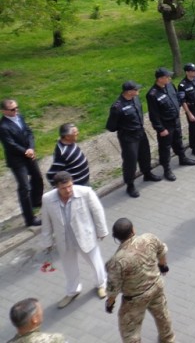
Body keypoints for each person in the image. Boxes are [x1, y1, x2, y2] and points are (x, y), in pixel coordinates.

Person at [40, 171, 108, 309]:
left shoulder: (86, 192)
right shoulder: (47, 199)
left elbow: (97, 211)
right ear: (56, 188)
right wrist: (47, 242)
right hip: (64, 240)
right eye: (64, 188)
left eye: (70, 186)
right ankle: (73, 291)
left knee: (96, 263)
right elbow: (46, 221)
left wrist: (101, 231)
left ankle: (101, 285)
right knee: (69, 268)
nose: (68, 190)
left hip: (85, 236)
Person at [104, 218, 175, 343]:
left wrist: (110, 303)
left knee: (129, 331)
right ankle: (169, 339)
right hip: (156, 286)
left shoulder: (116, 262)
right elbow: (162, 250)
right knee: (162, 315)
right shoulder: (149, 238)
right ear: (133, 229)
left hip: (135, 299)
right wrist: (163, 266)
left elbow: (113, 289)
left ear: (115, 237)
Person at [106, 82, 161, 198]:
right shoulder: (117, 107)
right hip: (128, 138)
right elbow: (111, 127)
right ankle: (130, 185)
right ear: (129, 91)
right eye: (136, 89)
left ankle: (147, 173)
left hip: (140, 132)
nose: (138, 90)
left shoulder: (135, 99)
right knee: (130, 162)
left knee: (145, 155)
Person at [146, 67, 195, 181]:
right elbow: (153, 114)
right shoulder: (152, 94)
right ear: (160, 79)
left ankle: (182, 158)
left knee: (178, 141)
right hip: (165, 125)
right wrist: (160, 129)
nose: (169, 78)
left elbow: (176, 98)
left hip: (175, 120)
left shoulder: (170, 85)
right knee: (165, 147)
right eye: (167, 77)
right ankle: (167, 169)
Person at [0, 99, 45, 226]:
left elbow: (29, 132)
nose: (16, 111)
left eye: (17, 108)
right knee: (25, 187)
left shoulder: (20, 117)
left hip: (28, 154)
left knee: (37, 178)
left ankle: (36, 201)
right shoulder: (3, 127)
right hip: (17, 160)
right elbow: (10, 144)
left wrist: (31, 148)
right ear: (4, 111)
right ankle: (29, 218)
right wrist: (25, 151)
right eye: (12, 109)